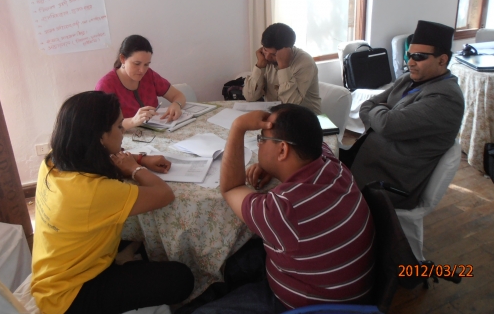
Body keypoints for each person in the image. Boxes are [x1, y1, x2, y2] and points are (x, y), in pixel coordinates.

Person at [194, 104, 375, 313]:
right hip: (346, 288)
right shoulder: (332, 165)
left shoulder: (282, 210)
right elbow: (317, 142)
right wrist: (272, 164)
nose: (259, 144)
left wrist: (238, 127)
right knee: (236, 261)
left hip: (311, 306)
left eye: (261, 140)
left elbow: (232, 188)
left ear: (282, 150)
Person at [31, 91, 194, 314]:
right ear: (100, 137)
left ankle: (124, 260)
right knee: (181, 278)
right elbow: (164, 194)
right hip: (72, 298)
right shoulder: (94, 191)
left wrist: (140, 158)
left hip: (51, 279)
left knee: (137, 239)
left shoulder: (54, 161)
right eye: (119, 127)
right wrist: (135, 169)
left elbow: (103, 158)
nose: (122, 133)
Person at [340, 20, 465, 209]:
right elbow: (367, 106)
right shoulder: (409, 79)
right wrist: (383, 113)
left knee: (320, 196)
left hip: (387, 182)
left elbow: (387, 125)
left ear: (442, 59)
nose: (410, 62)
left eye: (419, 56)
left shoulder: (446, 98)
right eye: (409, 55)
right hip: (365, 158)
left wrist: (383, 115)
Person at [96, 34, 187, 130]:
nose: (142, 70)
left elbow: (178, 95)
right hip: (125, 139)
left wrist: (176, 104)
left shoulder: (149, 75)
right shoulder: (106, 85)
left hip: (155, 134)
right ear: (122, 59)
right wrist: (133, 121)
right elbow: (103, 125)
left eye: (146, 64)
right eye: (137, 64)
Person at [242, 23, 321, 114]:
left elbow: (291, 105)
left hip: (306, 118)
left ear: (287, 51)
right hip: (277, 116)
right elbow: (250, 97)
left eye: (273, 54)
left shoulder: (305, 62)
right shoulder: (265, 59)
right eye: (265, 50)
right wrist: (260, 65)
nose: (267, 57)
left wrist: (283, 66)